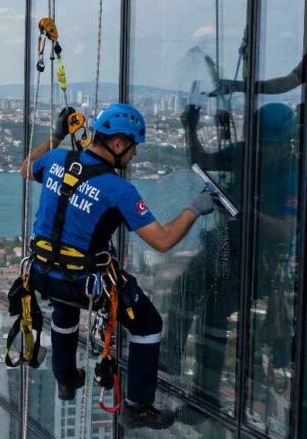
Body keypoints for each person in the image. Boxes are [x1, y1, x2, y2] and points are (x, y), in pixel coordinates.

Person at [19, 103, 216, 430]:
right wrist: (195, 208)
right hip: (83, 281)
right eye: (134, 146)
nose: (135, 154)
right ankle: (137, 408)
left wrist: (56, 137)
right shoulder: (119, 190)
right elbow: (163, 240)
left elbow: (26, 168)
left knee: (64, 310)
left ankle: (66, 379)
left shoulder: (56, 159)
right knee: (149, 325)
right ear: (119, 144)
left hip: (42, 273)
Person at [168, 102, 299, 415]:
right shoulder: (245, 151)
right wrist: (190, 129)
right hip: (228, 243)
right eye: (258, 143)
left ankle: (204, 398)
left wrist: (243, 208)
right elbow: (202, 160)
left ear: (284, 145)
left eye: (265, 145)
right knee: (185, 286)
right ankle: (170, 362)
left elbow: (285, 231)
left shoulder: (292, 173)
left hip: (257, 257)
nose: (259, 150)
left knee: (214, 310)